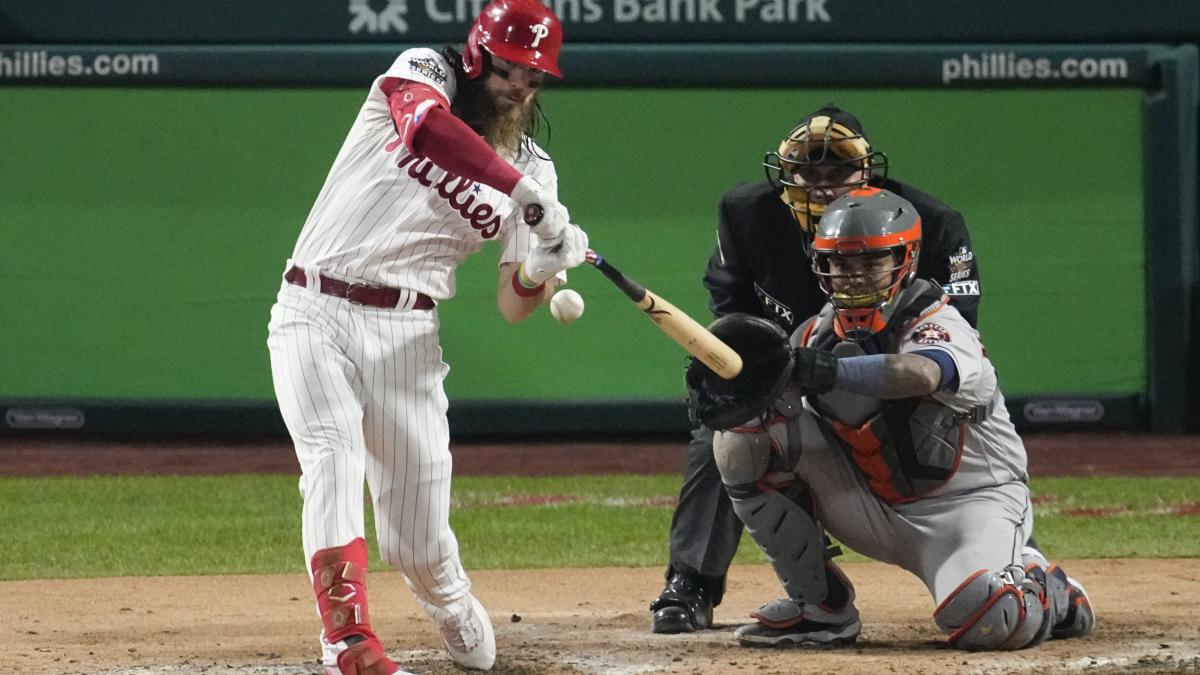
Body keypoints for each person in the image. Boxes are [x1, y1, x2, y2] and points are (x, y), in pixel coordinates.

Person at [266, 0, 587, 672]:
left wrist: (541, 263)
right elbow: (425, 131)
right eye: (509, 69)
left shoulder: (537, 169)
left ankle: (447, 597)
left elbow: (513, 303)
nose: (520, 87)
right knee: (332, 457)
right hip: (313, 306)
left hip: (409, 335)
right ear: (477, 54)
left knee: (416, 539)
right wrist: (520, 188)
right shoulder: (422, 72)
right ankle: (349, 641)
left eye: (533, 77)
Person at [702, 187, 1095, 650]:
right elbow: (775, 413)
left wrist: (819, 369)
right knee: (741, 438)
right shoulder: (814, 333)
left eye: (871, 261)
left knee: (989, 619)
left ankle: (1045, 584)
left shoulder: (940, 322)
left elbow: (919, 373)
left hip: (969, 506)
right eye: (839, 263)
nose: (853, 276)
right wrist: (737, 389)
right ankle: (820, 609)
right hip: (870, 503)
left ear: (905, 259)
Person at [651, 105, 984, 633]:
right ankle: (701, 584)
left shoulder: (931, 222)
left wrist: (842, 367)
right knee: (729, 426)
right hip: (793, 372)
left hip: (895, 376)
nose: (824, 186)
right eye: (809, 173)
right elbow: (732, 310)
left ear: (868, 173)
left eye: (839, 173)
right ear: (785, 175)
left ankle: (1009, 553)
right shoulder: (747, 215)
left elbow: (952, 332)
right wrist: (747, 372)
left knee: (976, 429)